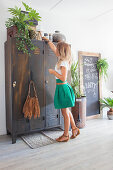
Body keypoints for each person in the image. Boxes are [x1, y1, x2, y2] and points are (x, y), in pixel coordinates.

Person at [42, 37, 80, 142]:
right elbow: (54, 49)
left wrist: (53, 72)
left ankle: (66, 135)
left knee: (64, 113)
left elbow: (63, 77)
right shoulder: (62, 59)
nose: (56, 50)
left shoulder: (63, 63)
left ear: (61, 51)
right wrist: (48, 41)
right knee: (66, 111)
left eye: (58, 49)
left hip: (62, 87)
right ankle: (74, 128)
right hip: (61, 87)